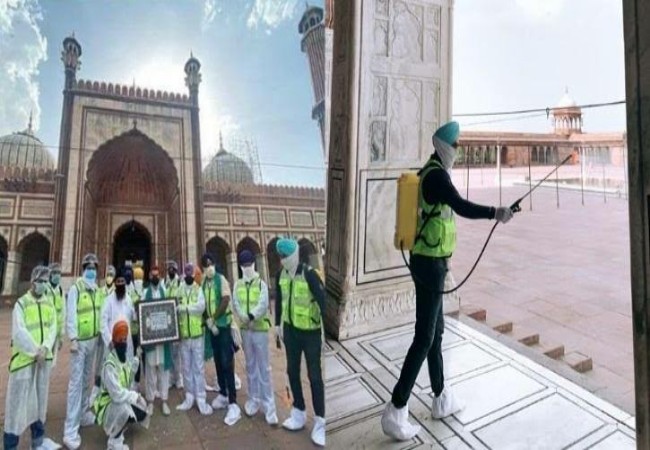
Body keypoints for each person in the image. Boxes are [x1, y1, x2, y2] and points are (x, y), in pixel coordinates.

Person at [381, 121, 515, 441]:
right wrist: (496, 212)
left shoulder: (431, 169)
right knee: (425, 335)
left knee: (435, 332)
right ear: (444, 146)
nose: (458, 150)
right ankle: (396, 408)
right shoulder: (438, 176)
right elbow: (461, 205)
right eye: (455, 146)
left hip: (429, 261)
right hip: (429, 264)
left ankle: (441, 397)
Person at [275, 238, 325, 447]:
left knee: (314, 376)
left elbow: (324, 302)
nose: (283, 260)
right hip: (291, 331)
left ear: (295, 255)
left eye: (286, 256)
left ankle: (321, 421)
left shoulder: (309, 274)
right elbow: (279, 300)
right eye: (281, 257)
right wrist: (278, 326)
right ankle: (298, 412)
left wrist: (327, 332)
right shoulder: (281, 275)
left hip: (311, 332)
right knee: (292, 372)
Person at [3, 265, 60, 450]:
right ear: (33, 282)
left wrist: (45, 348)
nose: (44, 283)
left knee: (40, 402)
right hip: (24, 363)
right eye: (41, 281)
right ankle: (11, 445)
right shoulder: (21, 303)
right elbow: (19, 332)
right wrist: (36, 350)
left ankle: (38, 441)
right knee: (16, 406)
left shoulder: (48, 302)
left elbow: (53, 327)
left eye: (46, 280)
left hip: (42, 361)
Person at [232, 250, 278, 426]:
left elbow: (263, 304)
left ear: (254, 264)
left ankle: (269, 407)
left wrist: (250, 316)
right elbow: (235, 302)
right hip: (245, 330)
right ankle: (253, 400)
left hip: (259, 329)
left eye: (248, 265)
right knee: (250, 366)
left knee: (264, 368)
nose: (246, 268)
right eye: (243, 265)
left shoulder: (261, 285)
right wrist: (243, 316)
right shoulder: (238, 285)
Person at [63, 253, 101, 450]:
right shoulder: (76, 288)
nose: (92, 271)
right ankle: (70, 429)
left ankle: (84, 413)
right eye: (89, 268)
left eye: (94, 268)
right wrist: (73, 338)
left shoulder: (96, 290)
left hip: (93, 340)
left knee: (87, 379)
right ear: (83, 269)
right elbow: (70, 315)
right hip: (80, 343)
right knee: (76, 384)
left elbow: (101, 314)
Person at [93, 320, 149, 450]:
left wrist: (137, 357)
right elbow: (117, 394)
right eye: (120, 339)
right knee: (125, 409)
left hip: (116, 401)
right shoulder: (110, 365)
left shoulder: (122, 359)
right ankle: (114, 442)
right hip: (107, 405)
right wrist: (135, 396)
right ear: (114, 341)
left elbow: (128, 377)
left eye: (125, 339)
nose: (123, 343)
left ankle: (119, 428)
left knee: (141, 410)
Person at [201, 253, 241, 425]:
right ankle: (223, 394)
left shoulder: (221, 279)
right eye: (205, 265)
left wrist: (215, 318)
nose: (208, 267)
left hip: (223, 326)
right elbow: (203, 303)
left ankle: (233, 403)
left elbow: (225, 300)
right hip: (212, 328)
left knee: (227, 362)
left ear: (214, 264)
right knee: (218, 361)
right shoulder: (204, 282)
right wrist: (207, 320)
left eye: (210, 264)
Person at [176, 262, 213, 415]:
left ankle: (201, 398)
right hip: (185, 335)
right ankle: (189, 397)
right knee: (186, 367)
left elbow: (201, 308)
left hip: (197, 334)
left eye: (192, 275)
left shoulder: (198, 289)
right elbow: (174, 307)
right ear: (185, 275)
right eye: (187, 275)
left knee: (198, 367)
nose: (190, 277)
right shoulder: (180, 290)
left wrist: (185, 308)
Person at [142, 266, 172, 416]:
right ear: (149, 276)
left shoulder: (164, 291)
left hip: (163, 338)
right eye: (152, 275)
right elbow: (140, 314)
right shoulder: (144, 293)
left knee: (163, 371)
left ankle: (164, 401)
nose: (155, 277)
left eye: (157, 275)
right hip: (151, 340)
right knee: (150, 372)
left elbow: (170, 312)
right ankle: (150, 401)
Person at [92, 264, 117, 401]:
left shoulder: (117, 292)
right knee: (99, 362)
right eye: (108, 275)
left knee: (111, 362)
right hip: (102, 333)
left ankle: (109, 389)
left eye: (111, 275)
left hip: (112, 334)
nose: (109, 277)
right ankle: (96, 389)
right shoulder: (99, 292)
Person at [101, 270, 135, 363]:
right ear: (115, 284)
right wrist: (109, 341)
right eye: (118, 282)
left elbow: (133, 317)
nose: (120, 284)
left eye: (122, 281)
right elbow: (103, 323)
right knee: (112, 371)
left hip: (126, 341)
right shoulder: (108, 301)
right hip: (112, 343)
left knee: (126, 370)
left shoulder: (129, 299)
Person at [165, 260, 184, 390]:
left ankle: (179, 377)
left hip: (178, 321)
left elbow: (183, 299)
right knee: (170, 351)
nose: (171, 270)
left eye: (173, 268)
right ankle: (172, 378)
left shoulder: (180, 283)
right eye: (169, 268)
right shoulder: (165, 284)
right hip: (168, 322)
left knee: (178, 352)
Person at [46, 262, 65, 362]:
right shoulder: (44, 289)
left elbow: (62, 313)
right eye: (55, 272)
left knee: (50, 362)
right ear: (49, 274)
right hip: (44, 332)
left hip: (55, 332)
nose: (57, 275)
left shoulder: (60, 290)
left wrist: (61, 335)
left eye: (59, 273)